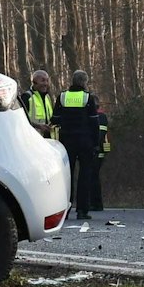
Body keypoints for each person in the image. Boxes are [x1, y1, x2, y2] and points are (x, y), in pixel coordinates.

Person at [54, 70, 100, 219]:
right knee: (84, 175)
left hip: (66, 141)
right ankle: (82, 210)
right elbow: (94, 123)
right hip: (85, 141)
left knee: (67, 176)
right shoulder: (88, 98)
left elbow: (55, 119)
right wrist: (95, 143)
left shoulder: (62, 97)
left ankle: (65, 210)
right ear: (84, 82)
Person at [25, 70, 58, 139]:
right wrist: (38, 126)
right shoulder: (27, 97)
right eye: (42, 80)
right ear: (34, 82)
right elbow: (21, 120)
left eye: (47, 81)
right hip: (33, 140)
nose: (46, 83)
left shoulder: (47, 97)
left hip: (48, 140)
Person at [90, 111, 112, 212]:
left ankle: (96, 203)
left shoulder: (101, 117)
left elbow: (100, 134)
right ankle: (94, 203)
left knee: (93, 176)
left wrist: (94, 147)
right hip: (96, 150)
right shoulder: (99, 116)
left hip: (98, 150)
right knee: (93, 177)